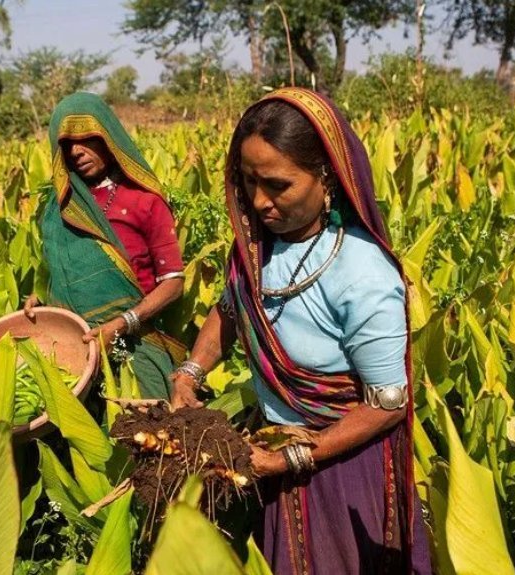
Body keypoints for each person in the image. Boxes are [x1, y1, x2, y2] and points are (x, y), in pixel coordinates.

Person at [170, 88, 432, 574]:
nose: (259, 201)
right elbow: (229, 311)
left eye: (278, 185)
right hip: (277, 452)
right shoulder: (255, 249)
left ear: (326, 176)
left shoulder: (363, 273)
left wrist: (292, 459)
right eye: (248, 181)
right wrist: (190, 371)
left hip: (343, 467)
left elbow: (386, 405)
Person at [25, 92, 187, 399]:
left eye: (87, 139)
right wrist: (41, 300)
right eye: (66, 145)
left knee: (149, 436)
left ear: (108, 137)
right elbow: (62, 274)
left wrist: (123, 322)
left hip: (136, 344)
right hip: (72, 349)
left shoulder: (144, 202)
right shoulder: (59, 208)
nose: (76, 152)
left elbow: (174, 284)